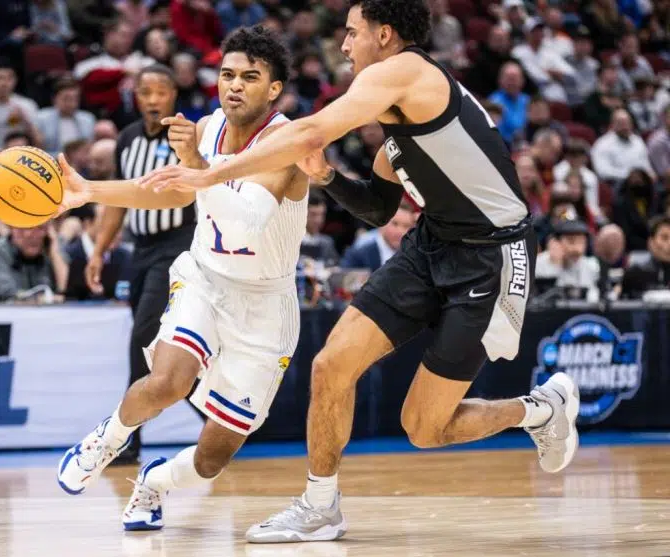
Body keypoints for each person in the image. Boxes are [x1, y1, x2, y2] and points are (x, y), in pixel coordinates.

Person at [140, 0, 581, 542]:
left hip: (492, 257)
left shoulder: (405, 72)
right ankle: (320, 505)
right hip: (432, 242)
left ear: (385, 34)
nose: (344, 46)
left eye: (352, 33)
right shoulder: (398, 111)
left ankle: (537, 409)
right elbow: (376, 207)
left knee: (424, 428)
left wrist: (212, 174)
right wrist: (325, 175)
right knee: (331, 365)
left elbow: (306, 133)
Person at [55, 25, 309, 533]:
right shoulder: (210, 126)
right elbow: (170, 192)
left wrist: (196, 165)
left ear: (274, 89)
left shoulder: (286, 143)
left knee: (215, 454)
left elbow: (245, 221)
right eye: (227, 74)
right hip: (206, 279)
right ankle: (108, 439)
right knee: (168, 381)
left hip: (265, 305)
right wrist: (90, 191)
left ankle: (155, 482)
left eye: (250, 77)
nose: (234, 85)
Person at [84, 65, 197, 465]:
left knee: (141, 338)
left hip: (180, 244)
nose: (152, 100)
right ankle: (216, 418)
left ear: (173, 95)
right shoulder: (127, 139)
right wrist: (99, 250)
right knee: (154, 345)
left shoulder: (188, 137)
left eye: (160, 92)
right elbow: (119, 199)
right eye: (144, 92)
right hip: (140, 249)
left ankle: (128, 439)